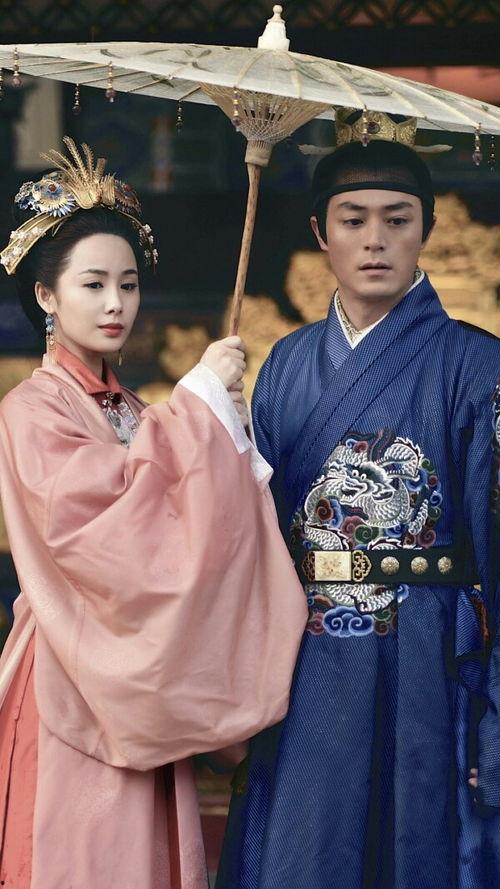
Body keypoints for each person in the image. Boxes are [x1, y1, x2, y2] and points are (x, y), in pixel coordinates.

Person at [0, 137, 307, 889]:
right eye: (93, 284)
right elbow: (99, 530)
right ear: (47, 295)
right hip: (73, 672)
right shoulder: (32, 409)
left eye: (129, 284)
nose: (116, 304)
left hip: (140, 675)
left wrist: (220, 429)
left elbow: (195, 535)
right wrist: (198, 406)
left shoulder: (135, 410)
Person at [216, 111, 500, 889]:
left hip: (428, 666)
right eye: (353, 220)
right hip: (304, 660)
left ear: (426, 229)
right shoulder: (283, 366)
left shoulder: (476, 367)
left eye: (397, 220)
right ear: (320, 232)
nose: (375, 240)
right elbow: (249, 542)